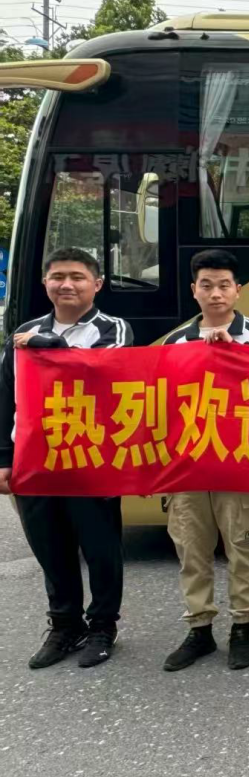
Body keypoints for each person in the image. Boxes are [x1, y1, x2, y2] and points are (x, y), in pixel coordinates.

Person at [0, 248, 133, 669]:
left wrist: (51, 346)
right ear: (45, 283)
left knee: (101, 548)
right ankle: (64, 626)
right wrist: (4, 457)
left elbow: (104, 372)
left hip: (91, 460)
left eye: (77, 276)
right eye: (58, 276)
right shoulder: (24, 333)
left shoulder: (113, 329)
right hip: (34, 461)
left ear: (97, 284)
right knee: (51, 548)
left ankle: (103, 627)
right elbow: (6, 396)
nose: (67, 284)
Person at [160, 249, 249, 672]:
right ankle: (199, 629)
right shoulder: (176, 341)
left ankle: (241, 629)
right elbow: (162, 403)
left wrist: (235, 357)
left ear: (238, 290)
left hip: (240, 462)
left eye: (223, 285)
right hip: (189, 466)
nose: (215, 293)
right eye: (206, 285)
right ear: (194, 290)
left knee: (243, 548)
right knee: (192, 550)